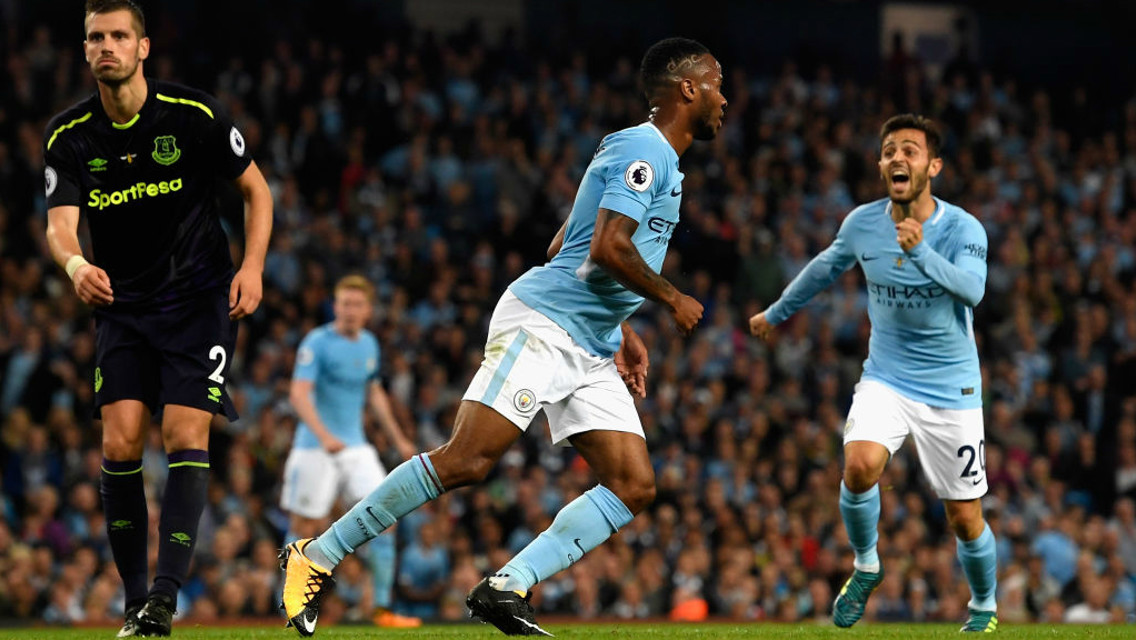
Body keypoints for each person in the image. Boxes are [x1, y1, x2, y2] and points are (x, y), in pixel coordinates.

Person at [279, 36, 725, 637]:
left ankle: (505, 586)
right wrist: (670, 296)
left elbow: (560, 245)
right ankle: (318, 554)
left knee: (633, 483)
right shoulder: (645, 150)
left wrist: (619, 327)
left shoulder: (652, 157)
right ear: (688, 88)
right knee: (466, 460)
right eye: (717, 83)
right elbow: (605, 246)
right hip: (543, 325)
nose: (725, 98)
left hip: (590, 340)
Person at [43, 1, 272, 636]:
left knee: (183, 436)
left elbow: (256, 190)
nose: (106, 46)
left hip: (197, 300)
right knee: (118, 444)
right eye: (95, 37)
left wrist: (251, 267)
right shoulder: (68, 137)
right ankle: (135, 603)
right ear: (85, 49)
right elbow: (60, 228)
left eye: (119, 35)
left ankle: (165, 599)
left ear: (143, 47)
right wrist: (73, 266)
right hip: (123, 305)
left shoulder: (193, 116)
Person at [749, 114, 997, 632]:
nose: (897, 158)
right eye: (889, 150)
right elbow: (824, 267)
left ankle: (983, 607)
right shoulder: (863, 223)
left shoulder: (962, 228)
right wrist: (776, 313)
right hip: (886, 376)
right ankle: (866, 566)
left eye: (910, 149)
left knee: (965, 518)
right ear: (881, 164)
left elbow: (972, 291)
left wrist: (920, 251)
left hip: (952, 388)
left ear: (934, 165)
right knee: (859, 465)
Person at [280, 275, 421, 628]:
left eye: (358, 304)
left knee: (386, 516)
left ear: (369, 309)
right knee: (304, 527)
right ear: (335, 305)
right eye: (344, 303)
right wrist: (324, 435)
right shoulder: (317, 342)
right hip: (315, 447)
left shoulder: (369, 344)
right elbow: (298, 394)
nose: (350, 311)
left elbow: (373, 394)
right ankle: (288, 609)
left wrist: (399, 438)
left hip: (356, 446)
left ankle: (382, 609)